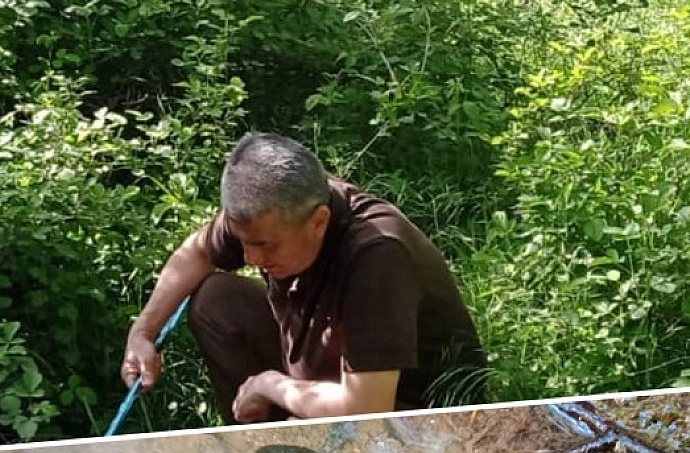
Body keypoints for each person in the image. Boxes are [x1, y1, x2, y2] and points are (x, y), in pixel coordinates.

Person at [121, 132, 486, 424]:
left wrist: (270, 385)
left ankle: (295, 428)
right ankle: (262, 442)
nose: (250, 259)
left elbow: (367, 409)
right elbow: (197, 252)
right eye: (244, 243)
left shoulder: (377, 255)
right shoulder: (266, 211)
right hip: (328, 378)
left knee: (330, 416)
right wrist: (143, 332)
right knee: (216, 299)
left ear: (318, 222)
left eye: (265, 246)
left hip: (410, 407)